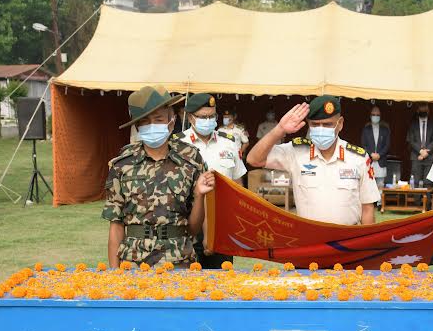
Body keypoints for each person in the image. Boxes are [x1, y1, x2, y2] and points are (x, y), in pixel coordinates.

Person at [102, 85, 215, 268]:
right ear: (137, 126)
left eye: (158, 119)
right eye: (145, 121)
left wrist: (200, 195)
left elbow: (193, 229)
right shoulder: (122, 164)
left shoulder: (191, 159)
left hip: (178, 260)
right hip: (134, 262)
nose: (152, 125)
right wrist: (114, 274)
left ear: (171, 120)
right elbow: (116, 226)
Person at [246, 95, 380, 225]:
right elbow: (254, 159)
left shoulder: (358, 158)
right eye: (315, 125)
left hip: (347, 237)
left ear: (340, 124)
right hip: (309, 237)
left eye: (327, 124)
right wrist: (280, 130)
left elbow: (367, 209)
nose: (321, 129)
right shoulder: (296, 152)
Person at [180, 93, 245, 269]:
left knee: (221, 278)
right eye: (203, 117)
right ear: (190, 117)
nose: (208, 121)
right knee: (187, 281)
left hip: (221, 226)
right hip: (187, 225)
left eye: (211, 116)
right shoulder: (178, 145)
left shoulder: (229, 143)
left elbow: (237, 184)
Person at [405, 102, 433, 186]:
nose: (423, 110)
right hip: (416, 157)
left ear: (428, 110)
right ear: (417, 110)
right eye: (421, 108)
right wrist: (420, 151)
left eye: (425, 108)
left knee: (428, 183)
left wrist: (425, 153)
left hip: (430, 157)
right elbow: (411, 140)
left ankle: (427, 196)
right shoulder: (413, 123)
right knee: (415, 183)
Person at [360, 105, 391, 189]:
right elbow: (363, 144)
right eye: (373, 115)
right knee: (368, 186)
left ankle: (380, 199)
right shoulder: (366, 129)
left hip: (381, 161)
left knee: (380, 186)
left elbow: (387, 145)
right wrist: (371, 154)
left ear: (380, 116)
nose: (375, 116)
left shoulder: (385, 129)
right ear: (370, 116)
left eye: (377, 115)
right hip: (369, 162)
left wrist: (379, 155)